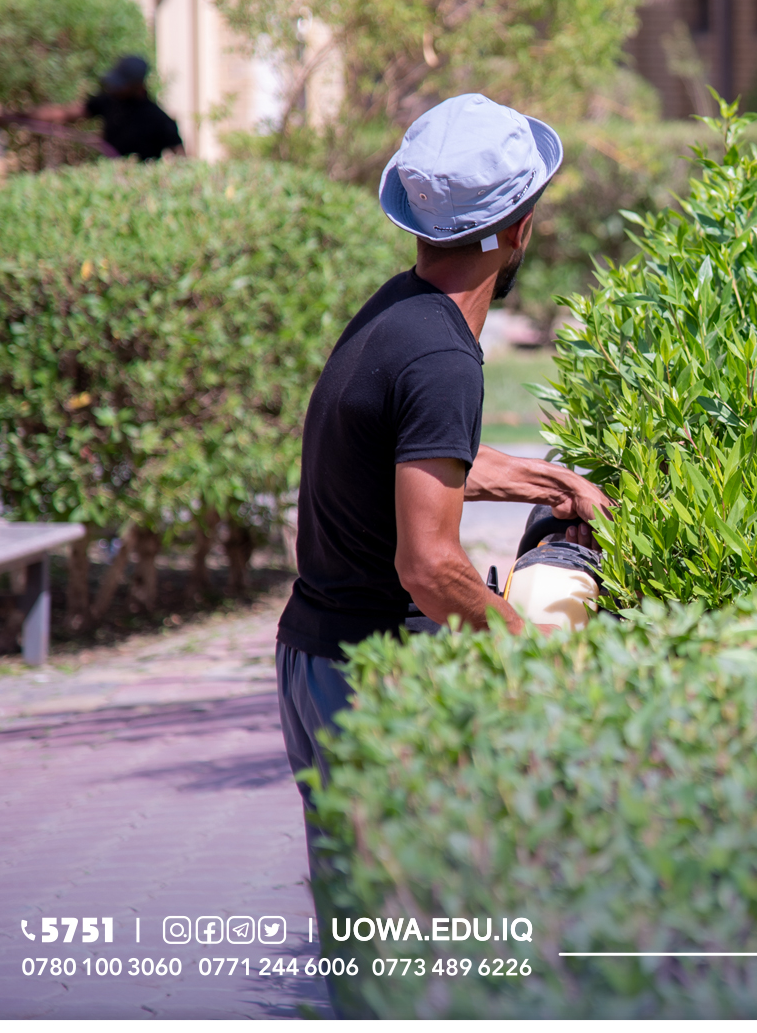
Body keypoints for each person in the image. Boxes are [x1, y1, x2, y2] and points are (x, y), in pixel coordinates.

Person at [273, 93, 612, 919]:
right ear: (520, 230)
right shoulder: (442, 357)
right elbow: (428, 567)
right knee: (421, 937)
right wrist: (525, 646)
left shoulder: (399, 312)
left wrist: (549, 483)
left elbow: (415, 462)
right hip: (374, 681)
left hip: (314, 658)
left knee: (360, 938)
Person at [29, 54, 183, 161]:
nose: (115, 88)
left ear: (137, 86)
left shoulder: (157, 118)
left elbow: (180, 155)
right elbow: (67, 113)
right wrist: (24, 116)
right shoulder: (108, 102)